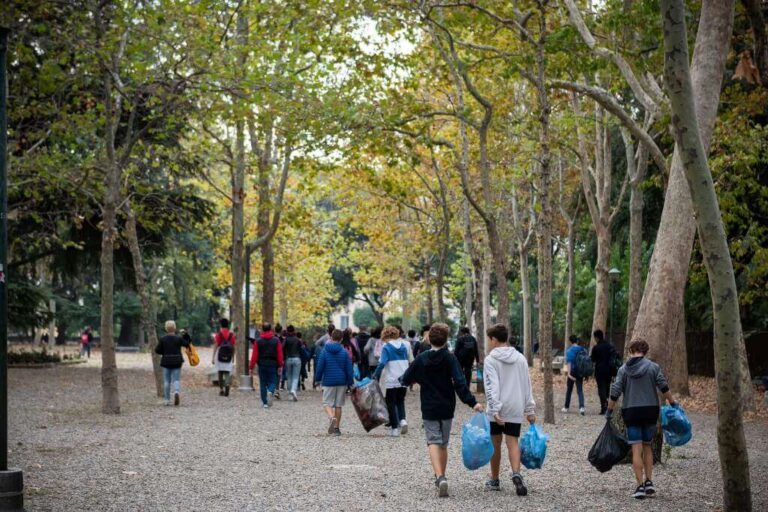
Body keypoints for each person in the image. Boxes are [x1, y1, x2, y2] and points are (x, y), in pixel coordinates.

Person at [400, 323, 483, 498]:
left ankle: (440, 476)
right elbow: (460, 382)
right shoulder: (450, 358)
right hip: (447, 406)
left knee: (432, 441)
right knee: (443, 444)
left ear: (429, 338)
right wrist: (472, 402)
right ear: (446, 340)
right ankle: (441, 476)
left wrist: (404, 381)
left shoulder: (421, 358)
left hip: (429, 406)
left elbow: (407, 378)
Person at [608, 339, 676, 500]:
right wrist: (673, 403)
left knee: (636, 449)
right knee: (648, 446)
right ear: (645, 351)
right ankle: (649, 482)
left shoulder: (623, 369)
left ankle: (639, 487)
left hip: (631, 412)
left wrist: (609, 410)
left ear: (631, 350)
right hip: (650, 411)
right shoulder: (653, 367)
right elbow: (663, 387)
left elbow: (615, 391)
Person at [482, 323, 536, 495]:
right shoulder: (520, 358)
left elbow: (491, 387)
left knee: (495, 444)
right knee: (512, 442)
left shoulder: (490, 360)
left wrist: (495, 410)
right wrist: (530, 409)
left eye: (489, 339)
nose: (489, 342)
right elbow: (527, 384)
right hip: (515, 405)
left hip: (497, 408)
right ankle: (516, 474)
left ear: (495, 339)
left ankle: (495, 480)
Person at [373, 325, 413, 437]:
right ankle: (403, 420)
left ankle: (395, 428)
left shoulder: (386, 347)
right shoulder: (404, 346)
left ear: (385, 335)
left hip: (391, 379)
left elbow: (382, 363)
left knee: (391, 403)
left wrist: (375, 374)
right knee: (400, 401)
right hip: (403, 378)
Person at [314, 329, 354, 436]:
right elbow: (349, 369)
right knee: (338, 405)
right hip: (342, 381)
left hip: (328, 381)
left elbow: (320, 367)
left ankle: (332, 418)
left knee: (327, 403)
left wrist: (317, 379)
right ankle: (336, 429)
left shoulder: (325, 351)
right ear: (341, 339)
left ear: (331, 338)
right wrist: (351, 382)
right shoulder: (344, 352)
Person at [154, 320, 191, 406]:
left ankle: (167, 400)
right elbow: (187, 344)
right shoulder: (178, 338)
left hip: (166, 361)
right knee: (176, 379)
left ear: (166, 329)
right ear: (175, 328)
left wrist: (164, 352)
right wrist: (186, 335)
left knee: (167, 381)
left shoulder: (163, 339)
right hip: (177, 361)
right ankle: (176, 392)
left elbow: (157, 350)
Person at [249, 323, 284, 408]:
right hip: (273, 364)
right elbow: (280, 354)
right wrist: (280, 365)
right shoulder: (276, 340)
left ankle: (265, 402)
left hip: (262, 364)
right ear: (271, 329)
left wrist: (251, 367)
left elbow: (254, 355)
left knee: (263, 383)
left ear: (262, 329)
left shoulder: (258, 341)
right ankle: (270, 391)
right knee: (273, 381)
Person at [590, 329, 618, 415]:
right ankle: (607, 404)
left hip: (599, 370)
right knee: (607, 387)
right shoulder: (610, 346)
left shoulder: (596, 347)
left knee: (601, 389)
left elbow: (592, 359)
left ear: (597, 337)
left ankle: (604, 407)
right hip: (609, 370)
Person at [562, 335, 587, 415]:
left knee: (569, 390)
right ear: (577, 340)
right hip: (580, 372)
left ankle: (566, 407)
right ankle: (582, 408)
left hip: (572, 371)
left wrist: (569, 374)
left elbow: (569, 363)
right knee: (580, 390)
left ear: (570, 341)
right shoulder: (582, 349)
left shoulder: (569, 351)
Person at [212, 319, 236, 397]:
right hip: (229, 354)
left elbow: (216, 345)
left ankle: (221, 389)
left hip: (220, 354)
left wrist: (213, 357)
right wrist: (233, 357)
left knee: (220, 372)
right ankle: (227, 384)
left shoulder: (219, 334)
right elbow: (233, 346)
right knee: (227, 372)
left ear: (221, 325)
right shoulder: (231, 335)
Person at [454, 327, 480, 391]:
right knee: (468, 372)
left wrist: (454, 358)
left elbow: (456, 350)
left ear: (462, 332)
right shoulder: (473, 339)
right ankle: (467, 387)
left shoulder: (460, 339)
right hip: (470, 358)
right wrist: (477, 360)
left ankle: (461, 386)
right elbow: (476, 350)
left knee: (460, 372)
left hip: (461, 358)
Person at [282, 325, 303, 401]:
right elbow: (301, 348)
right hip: (297, 359)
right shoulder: (297, 340)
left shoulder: (286, 340)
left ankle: (290, 394)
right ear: (294, 331)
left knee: (289, 377)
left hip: (288, 359)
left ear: (287, 331)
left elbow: (282, 348)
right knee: (296, 377)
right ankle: (293, 390)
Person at [313, 324, 334, 389]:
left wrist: (322, 349)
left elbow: (316, 343)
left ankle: (324, 385)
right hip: (333, 355)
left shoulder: (324, 337)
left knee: (325, 370)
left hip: (326, 355)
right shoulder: (335, 337)